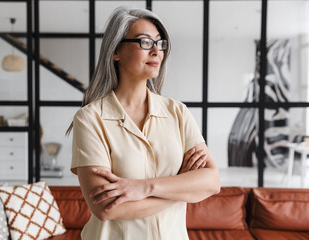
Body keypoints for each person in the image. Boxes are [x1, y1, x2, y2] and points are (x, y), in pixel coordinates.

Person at [68, 6, 220, 240]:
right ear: (116, 50)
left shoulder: (177, 112)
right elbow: (107, 208)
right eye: (145, 42)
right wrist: (182, 186)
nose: (157, 51)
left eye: (160, 44)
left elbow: (211, 182)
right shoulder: (90, 119)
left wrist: (144, 187)